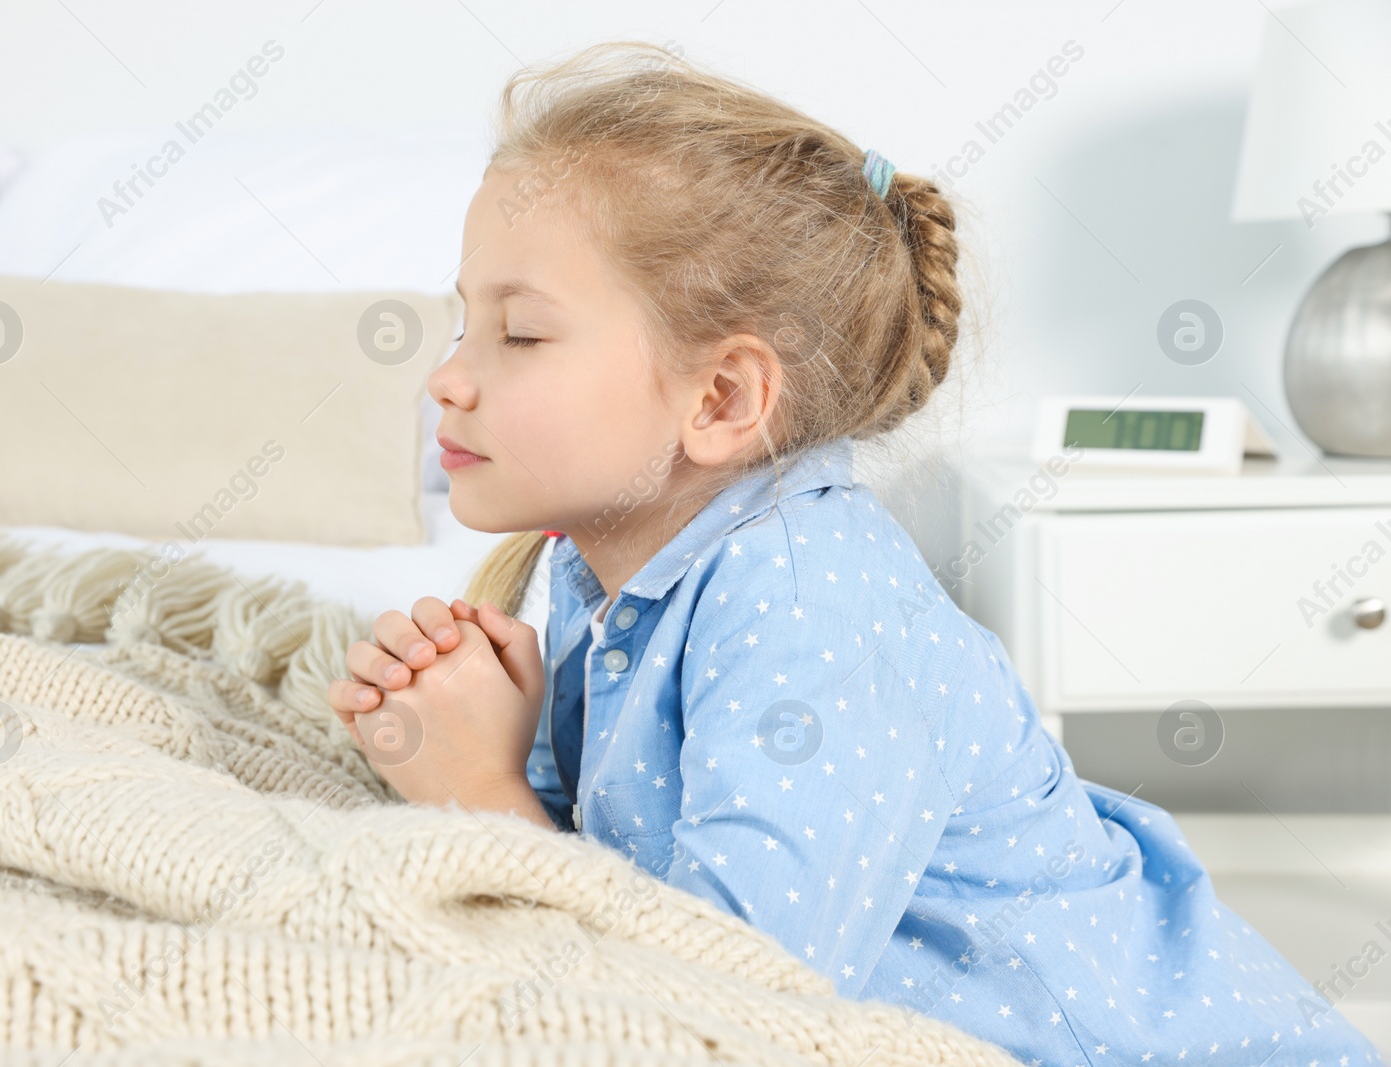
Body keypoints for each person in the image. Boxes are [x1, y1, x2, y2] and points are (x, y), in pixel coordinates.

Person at [327, 40, 1382, 1066]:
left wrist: (481, 802)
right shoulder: (599, 569)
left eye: (517, 333)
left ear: (722, 398)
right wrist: (498, 747)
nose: (447, 380)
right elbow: (623, 865)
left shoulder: (804, 606)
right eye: (463, 324)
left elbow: (734, 999)